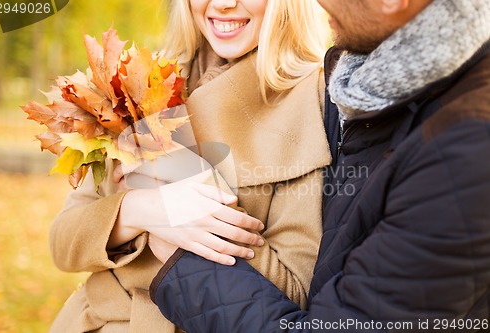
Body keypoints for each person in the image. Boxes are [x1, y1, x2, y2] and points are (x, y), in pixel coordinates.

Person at [149, 0, 490, 331]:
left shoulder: (463, 156)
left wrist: (180, 253)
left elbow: (309, 297)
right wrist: (139, 210)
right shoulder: (371, 97)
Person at [49, 0, 331, 331]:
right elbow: (62, 243)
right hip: (92, 321)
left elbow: (294, 295)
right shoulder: (143, 82)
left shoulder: (312, 100)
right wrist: (141, 209)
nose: (224, 4)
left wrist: (187, 183)